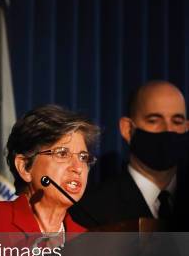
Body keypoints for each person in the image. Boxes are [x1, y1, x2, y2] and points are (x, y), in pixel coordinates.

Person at [0, 105, 99, 256]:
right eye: (62, 154)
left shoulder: (89, 243)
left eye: (83, 157)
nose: (78, 167)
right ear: (25, 167)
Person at [71, 81, 189, 229]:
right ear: (127, 129)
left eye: (177, 121)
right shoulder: (91, 209)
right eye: (154, 120)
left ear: (186, 127)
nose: (168, 129)